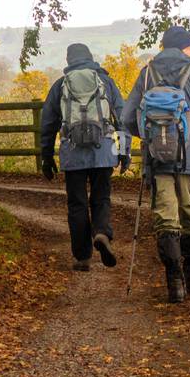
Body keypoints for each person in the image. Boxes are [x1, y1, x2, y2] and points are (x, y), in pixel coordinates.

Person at [122, 25, 190, 302]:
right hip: (189, 157)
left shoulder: (147, 73)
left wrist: (149, 137)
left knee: (164, 216)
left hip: (156, 159)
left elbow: (127, 117)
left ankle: (175, 282)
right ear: (185, 47)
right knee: (189, 211)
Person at [39, 44, 131, 271]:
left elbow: (48, 123)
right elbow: (122, 117)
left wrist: (47, 156)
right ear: (90, 58)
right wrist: (124, 150)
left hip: (73, 154)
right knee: (101, 198)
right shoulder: (106, 82)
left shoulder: (61, 85)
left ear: (69, 60)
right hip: (104, 150)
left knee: (77, 203)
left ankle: (82, 257)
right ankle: (101, 233)